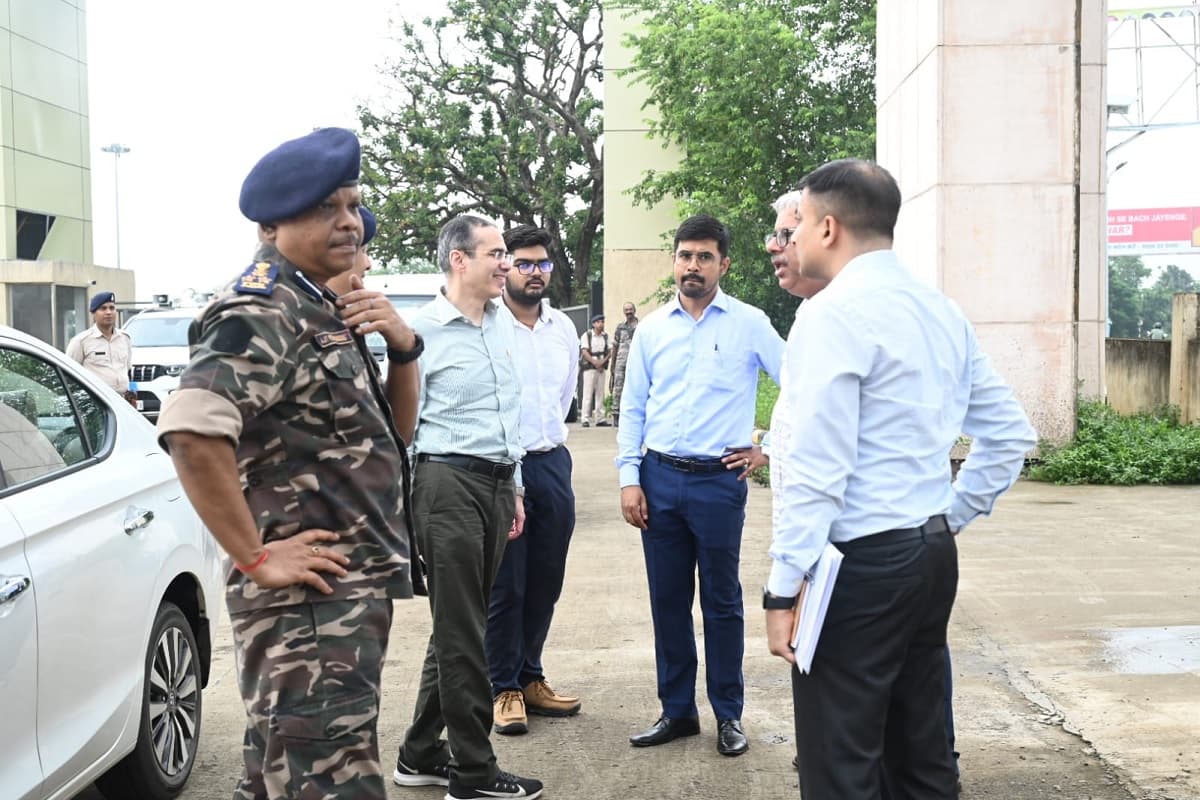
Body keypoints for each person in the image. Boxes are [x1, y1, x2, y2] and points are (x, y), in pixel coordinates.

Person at [156, 127, 422, 800]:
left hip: (338, 602)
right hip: (306, 612)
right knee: (331, 782)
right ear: (271, 225)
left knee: (280, 776)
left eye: (353, 204)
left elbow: (391, 437)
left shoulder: (318, 304)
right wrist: (255, 557)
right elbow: (191, 431)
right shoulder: (262, 307)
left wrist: (404, 349)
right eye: (325, 207)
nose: (349, 222)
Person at [763, 159, 1036, 800]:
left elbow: (817, 470)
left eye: (796, 225)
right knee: (922, 754)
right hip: (929, 553)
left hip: (858, 566)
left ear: (828, 227)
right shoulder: (939, 310)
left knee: (841, 762)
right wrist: (950, 516)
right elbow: (1009, 434)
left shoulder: (831, 315)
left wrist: (782, 587)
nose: (789, 239)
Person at [616, 213, 784, 756]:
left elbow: (801, 382)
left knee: (722, 601)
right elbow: (633, 407)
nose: (693, 265)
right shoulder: (652, 329)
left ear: (723, 264)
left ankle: (729, 715)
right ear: (675, 261)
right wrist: (629, 478)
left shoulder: (750, 323)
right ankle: (677, 711)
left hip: (719, 483)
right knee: (667, 600)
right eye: (685, 255)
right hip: (659, 479)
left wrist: (769, 446)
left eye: (704, 256)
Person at [392, 215, 543, 800]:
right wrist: (407, 515)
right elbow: (402, 431)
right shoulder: (420, 333)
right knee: (463, 635)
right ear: (459, 259)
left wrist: (516, 486)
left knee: (459, 627)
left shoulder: (502, 324)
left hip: (497, 485)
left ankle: (418, 755)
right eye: (496, 253)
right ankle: (473, 773)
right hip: (446, 485)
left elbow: (510, 413)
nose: (507, 264)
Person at [486, 224, 583, 737]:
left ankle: (529, 676)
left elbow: (565, 395)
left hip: (552, 462)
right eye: (523, 263)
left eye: (542, 264)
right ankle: (501, 686)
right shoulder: (488, 324)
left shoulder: (562, 328)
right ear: (506, 267)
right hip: (504, 467)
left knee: (547, 578)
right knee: (507, 583)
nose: (534, 272)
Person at [66, 291, 134, 403]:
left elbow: (127, 369)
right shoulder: (81, 341)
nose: (108, 312)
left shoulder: (124, 338)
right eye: (103, 309)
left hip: (121, 401)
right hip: (95, 401)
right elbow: (69, 374)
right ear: (94, 313)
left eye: (112, 308)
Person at [609, 301, 639, 427]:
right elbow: (615, 346)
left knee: (636, 388)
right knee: (618, 388)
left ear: (634, 310)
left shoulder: (640, 326)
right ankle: (616, 415)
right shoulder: (620, 327)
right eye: (626, 310)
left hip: (636, 361)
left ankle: (634, 415)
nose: (628, 312)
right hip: (621, 362)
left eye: (630, 309)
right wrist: (612, 365)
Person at [579, 313, 611, 427]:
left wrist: (602, 362)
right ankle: (585, 418)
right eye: (598, 322)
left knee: (600, 393)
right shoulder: (587, 335)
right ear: (593, 324)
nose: (600, 324)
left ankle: (600, 418)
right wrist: (595, 362)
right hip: (590, 367)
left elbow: (610, 351)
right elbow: (584, 351)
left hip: (601, 367)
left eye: (602, 322)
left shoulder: (605, 336)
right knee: (587, 393)